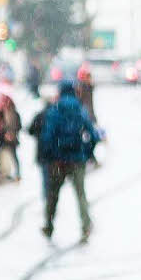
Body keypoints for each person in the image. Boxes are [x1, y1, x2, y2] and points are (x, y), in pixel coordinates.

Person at [39, 81, 99, 241]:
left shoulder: (55, 110)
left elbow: (47, 136)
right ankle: (86, 225)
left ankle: (48, 225)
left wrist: (51, 156)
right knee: (81, 195)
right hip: (77, 160)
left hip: (57, 161)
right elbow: (93, 135)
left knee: (53, 195)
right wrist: (86, 153)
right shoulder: (80, 110)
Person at [28, 94, 55, 201]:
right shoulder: (55, 116)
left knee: (45, 178)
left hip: (42, 152)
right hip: (55, 153)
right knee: (54, 179)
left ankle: (47, 199)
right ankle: (52, 199)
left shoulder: (39, 116)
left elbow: (30, 130)